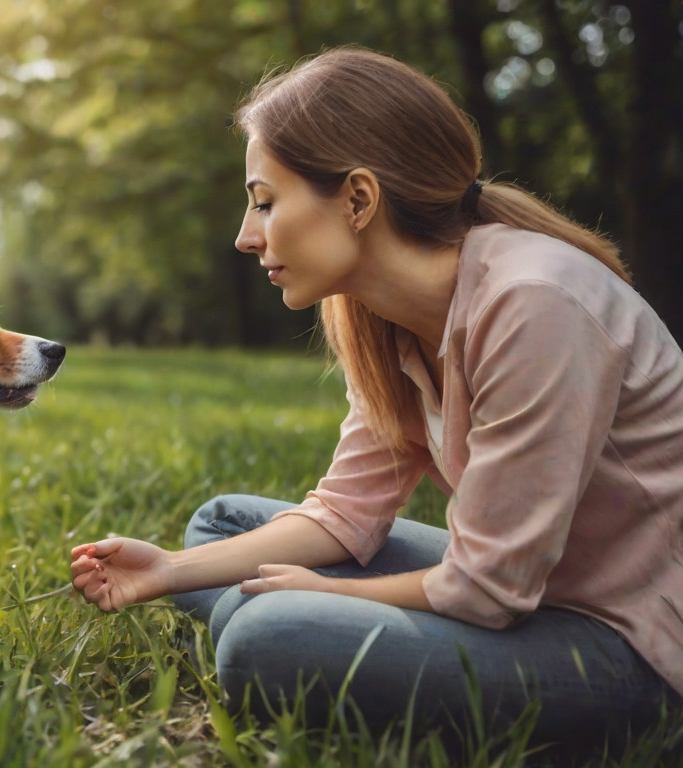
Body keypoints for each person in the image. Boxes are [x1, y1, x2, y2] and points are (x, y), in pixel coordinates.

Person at [68, 45, 683, 752]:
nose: (246, 235)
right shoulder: (377, 316)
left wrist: (327, 598)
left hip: (633, 648)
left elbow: (488, 587)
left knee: (266, 637)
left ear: (359, 198)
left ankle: (296, 642)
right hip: (532, 593)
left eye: (265, 203)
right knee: (221, 524)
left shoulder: (534, 303)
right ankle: (308, 640)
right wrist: (169, 572)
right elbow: (346, 511)